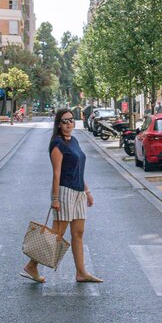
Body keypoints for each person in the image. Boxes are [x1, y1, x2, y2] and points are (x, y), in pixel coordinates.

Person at [21, 108, 103, 284]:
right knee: (56, 234)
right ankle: (31, 266)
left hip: (79, 192)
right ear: (59, 124)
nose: (69, 123)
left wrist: (87, 191)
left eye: (71, 120)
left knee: (78, 233)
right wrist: (55, 199)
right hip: (65, 192)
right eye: (65, 121)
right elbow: (56, 174)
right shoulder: (57, 144)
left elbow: (78, 170)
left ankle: (81, 272)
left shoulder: (73, 140)